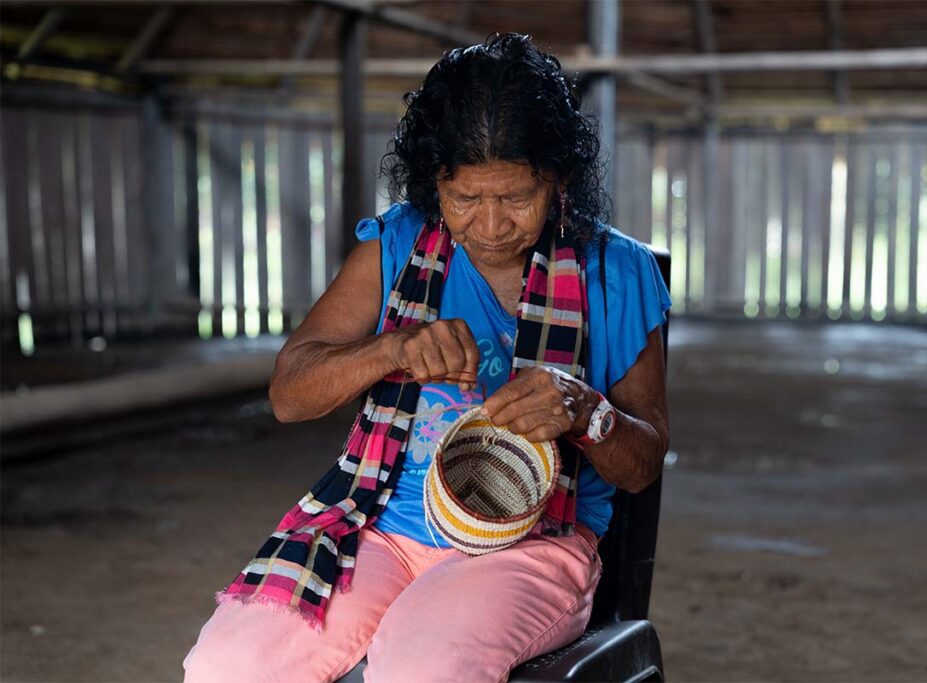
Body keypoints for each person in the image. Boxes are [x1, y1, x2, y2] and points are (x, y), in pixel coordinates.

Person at [182, 32, 670, 683]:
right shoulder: (398, 245)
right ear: (433, 180)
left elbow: (642, 463)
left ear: (558, 180)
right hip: (382, 525)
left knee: (423, 665)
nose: (492, 225)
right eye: (466, 198)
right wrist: (391, 347)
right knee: (229, 664)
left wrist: (587, 411)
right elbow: (289, 393)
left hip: (531, 545)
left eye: (517, 198)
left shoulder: (617, 273)